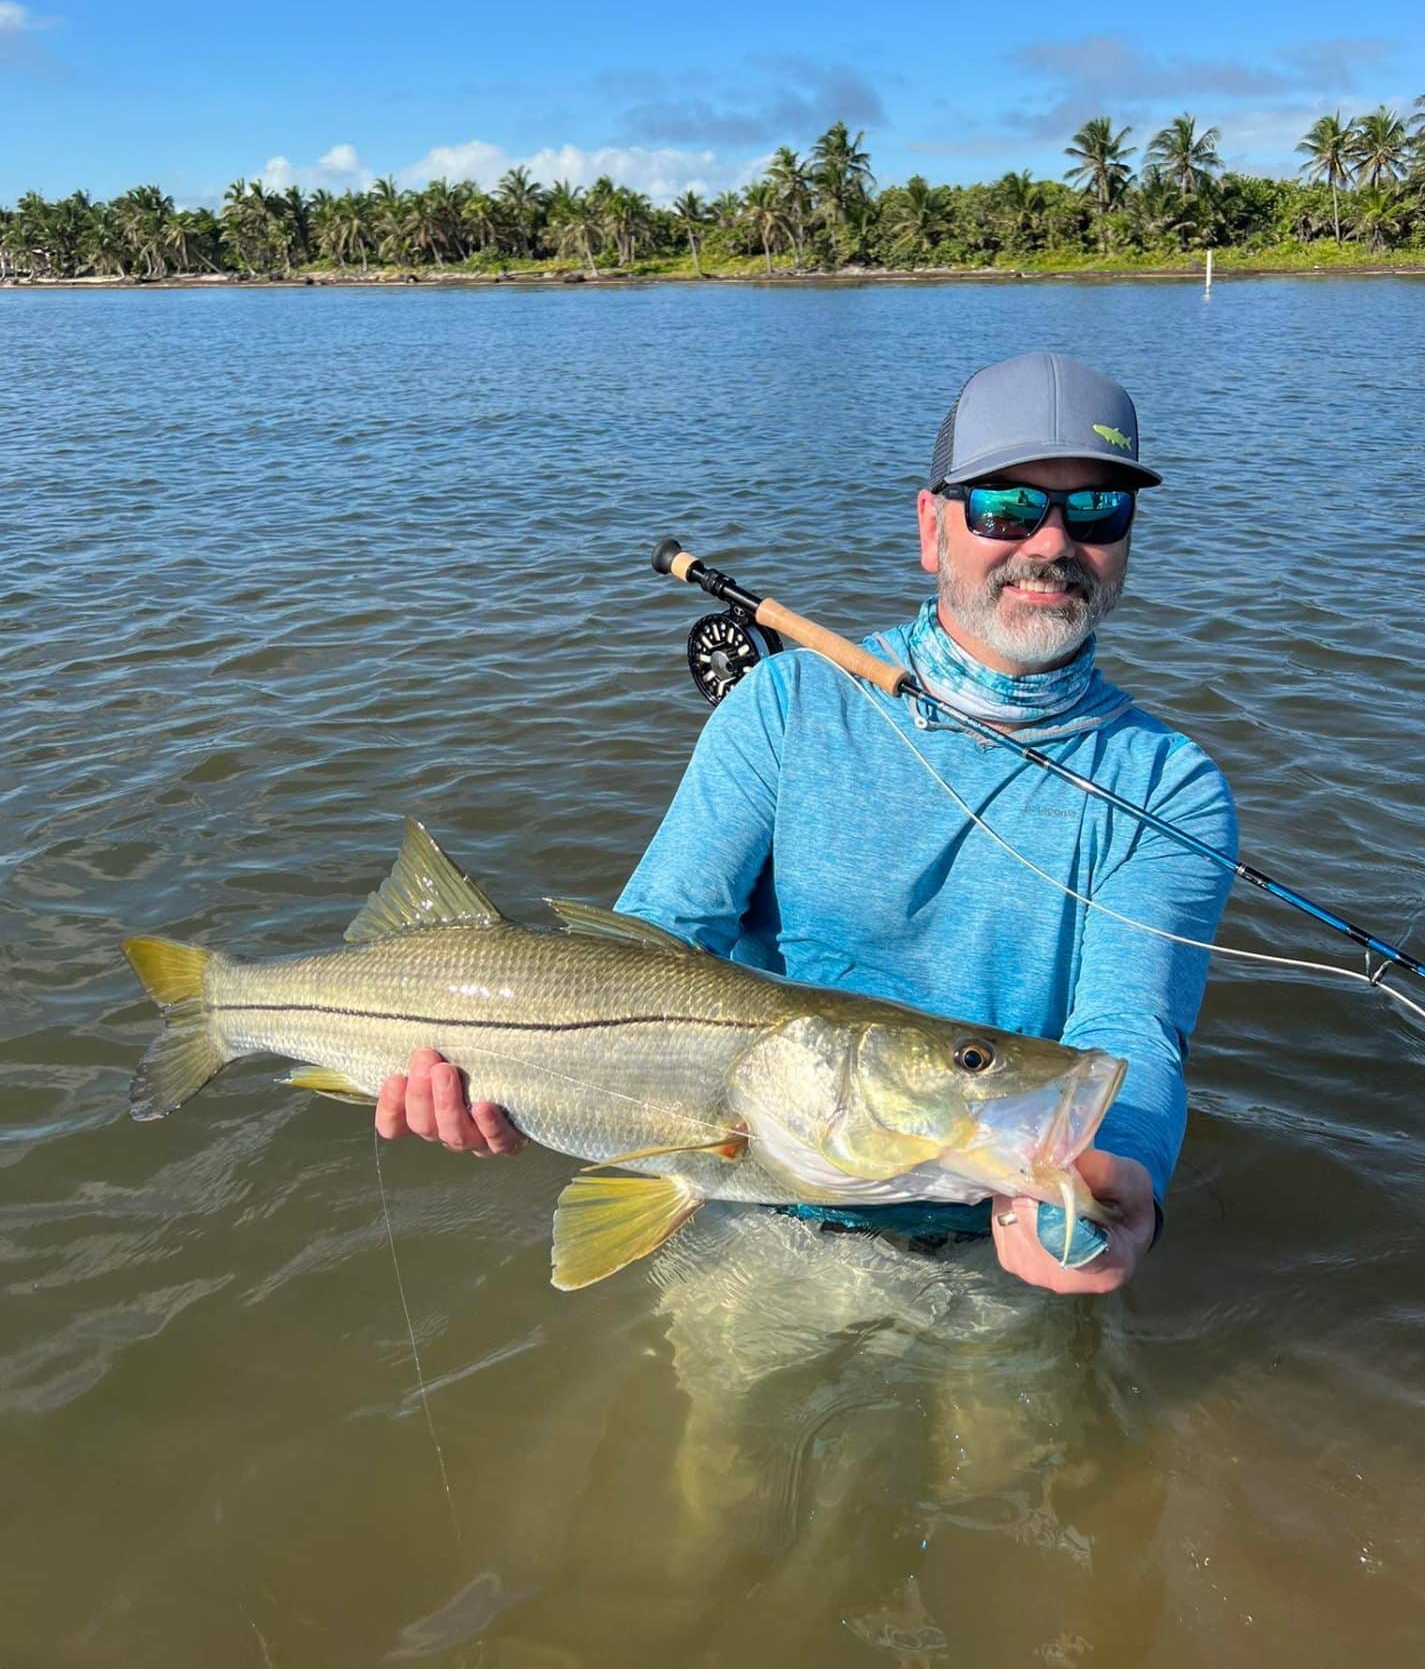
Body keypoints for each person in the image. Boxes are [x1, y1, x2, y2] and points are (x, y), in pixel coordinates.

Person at [375, 351, 1236, 1294]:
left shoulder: (1170, 787)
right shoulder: (785, 707)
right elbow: (656, 948)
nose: (1050, 543)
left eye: (1097, 508)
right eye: (1005, 506)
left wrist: (1121, 1171)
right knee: (726, 1443)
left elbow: (1132, 1031)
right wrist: (523, 1072)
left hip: (995, 1241)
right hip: (756, 1220)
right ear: (930, 527)